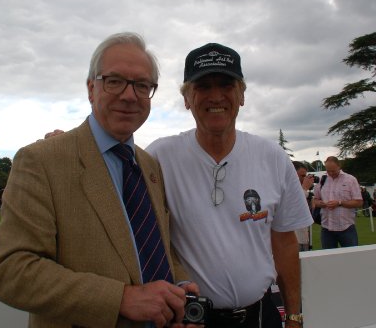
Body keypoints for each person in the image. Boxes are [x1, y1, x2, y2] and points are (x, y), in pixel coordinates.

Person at [0, 33, 199, 328]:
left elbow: (157, 248)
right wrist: (121, 298)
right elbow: (10, 272)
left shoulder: (150, 167)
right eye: (114, 80)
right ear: (91, 89)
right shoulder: (40, 161)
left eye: (141, 85)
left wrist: (178, 285)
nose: (129, 95)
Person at [146, 43, 313, 328]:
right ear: (187, 98)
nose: (216, 96)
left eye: (226, 84)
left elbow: (285, 242)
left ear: (242, 95)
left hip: (260, 317)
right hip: (190, 321)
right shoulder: (159, 157)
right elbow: (114, 189)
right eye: (202, 86)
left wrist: (295, 317)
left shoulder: (271, 157)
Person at [313, 156, 363, 249]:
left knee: (351, 257)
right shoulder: (322, 180)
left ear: (339, 166)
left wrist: (339, 203)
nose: (331, 173)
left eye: (333, 171)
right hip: (327, 228)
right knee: (329, 259)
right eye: (328, 171)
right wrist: (321, 204)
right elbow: (315, 199)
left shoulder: (350, 180)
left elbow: (359, 202)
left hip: (346, 227)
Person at [292, 161, 315, 251]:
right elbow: (293, 204)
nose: (304, 179)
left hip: (303, 235)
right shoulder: (284, 187)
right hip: (293, 237)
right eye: (302, 176)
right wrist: (305, 189)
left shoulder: (299, 188)